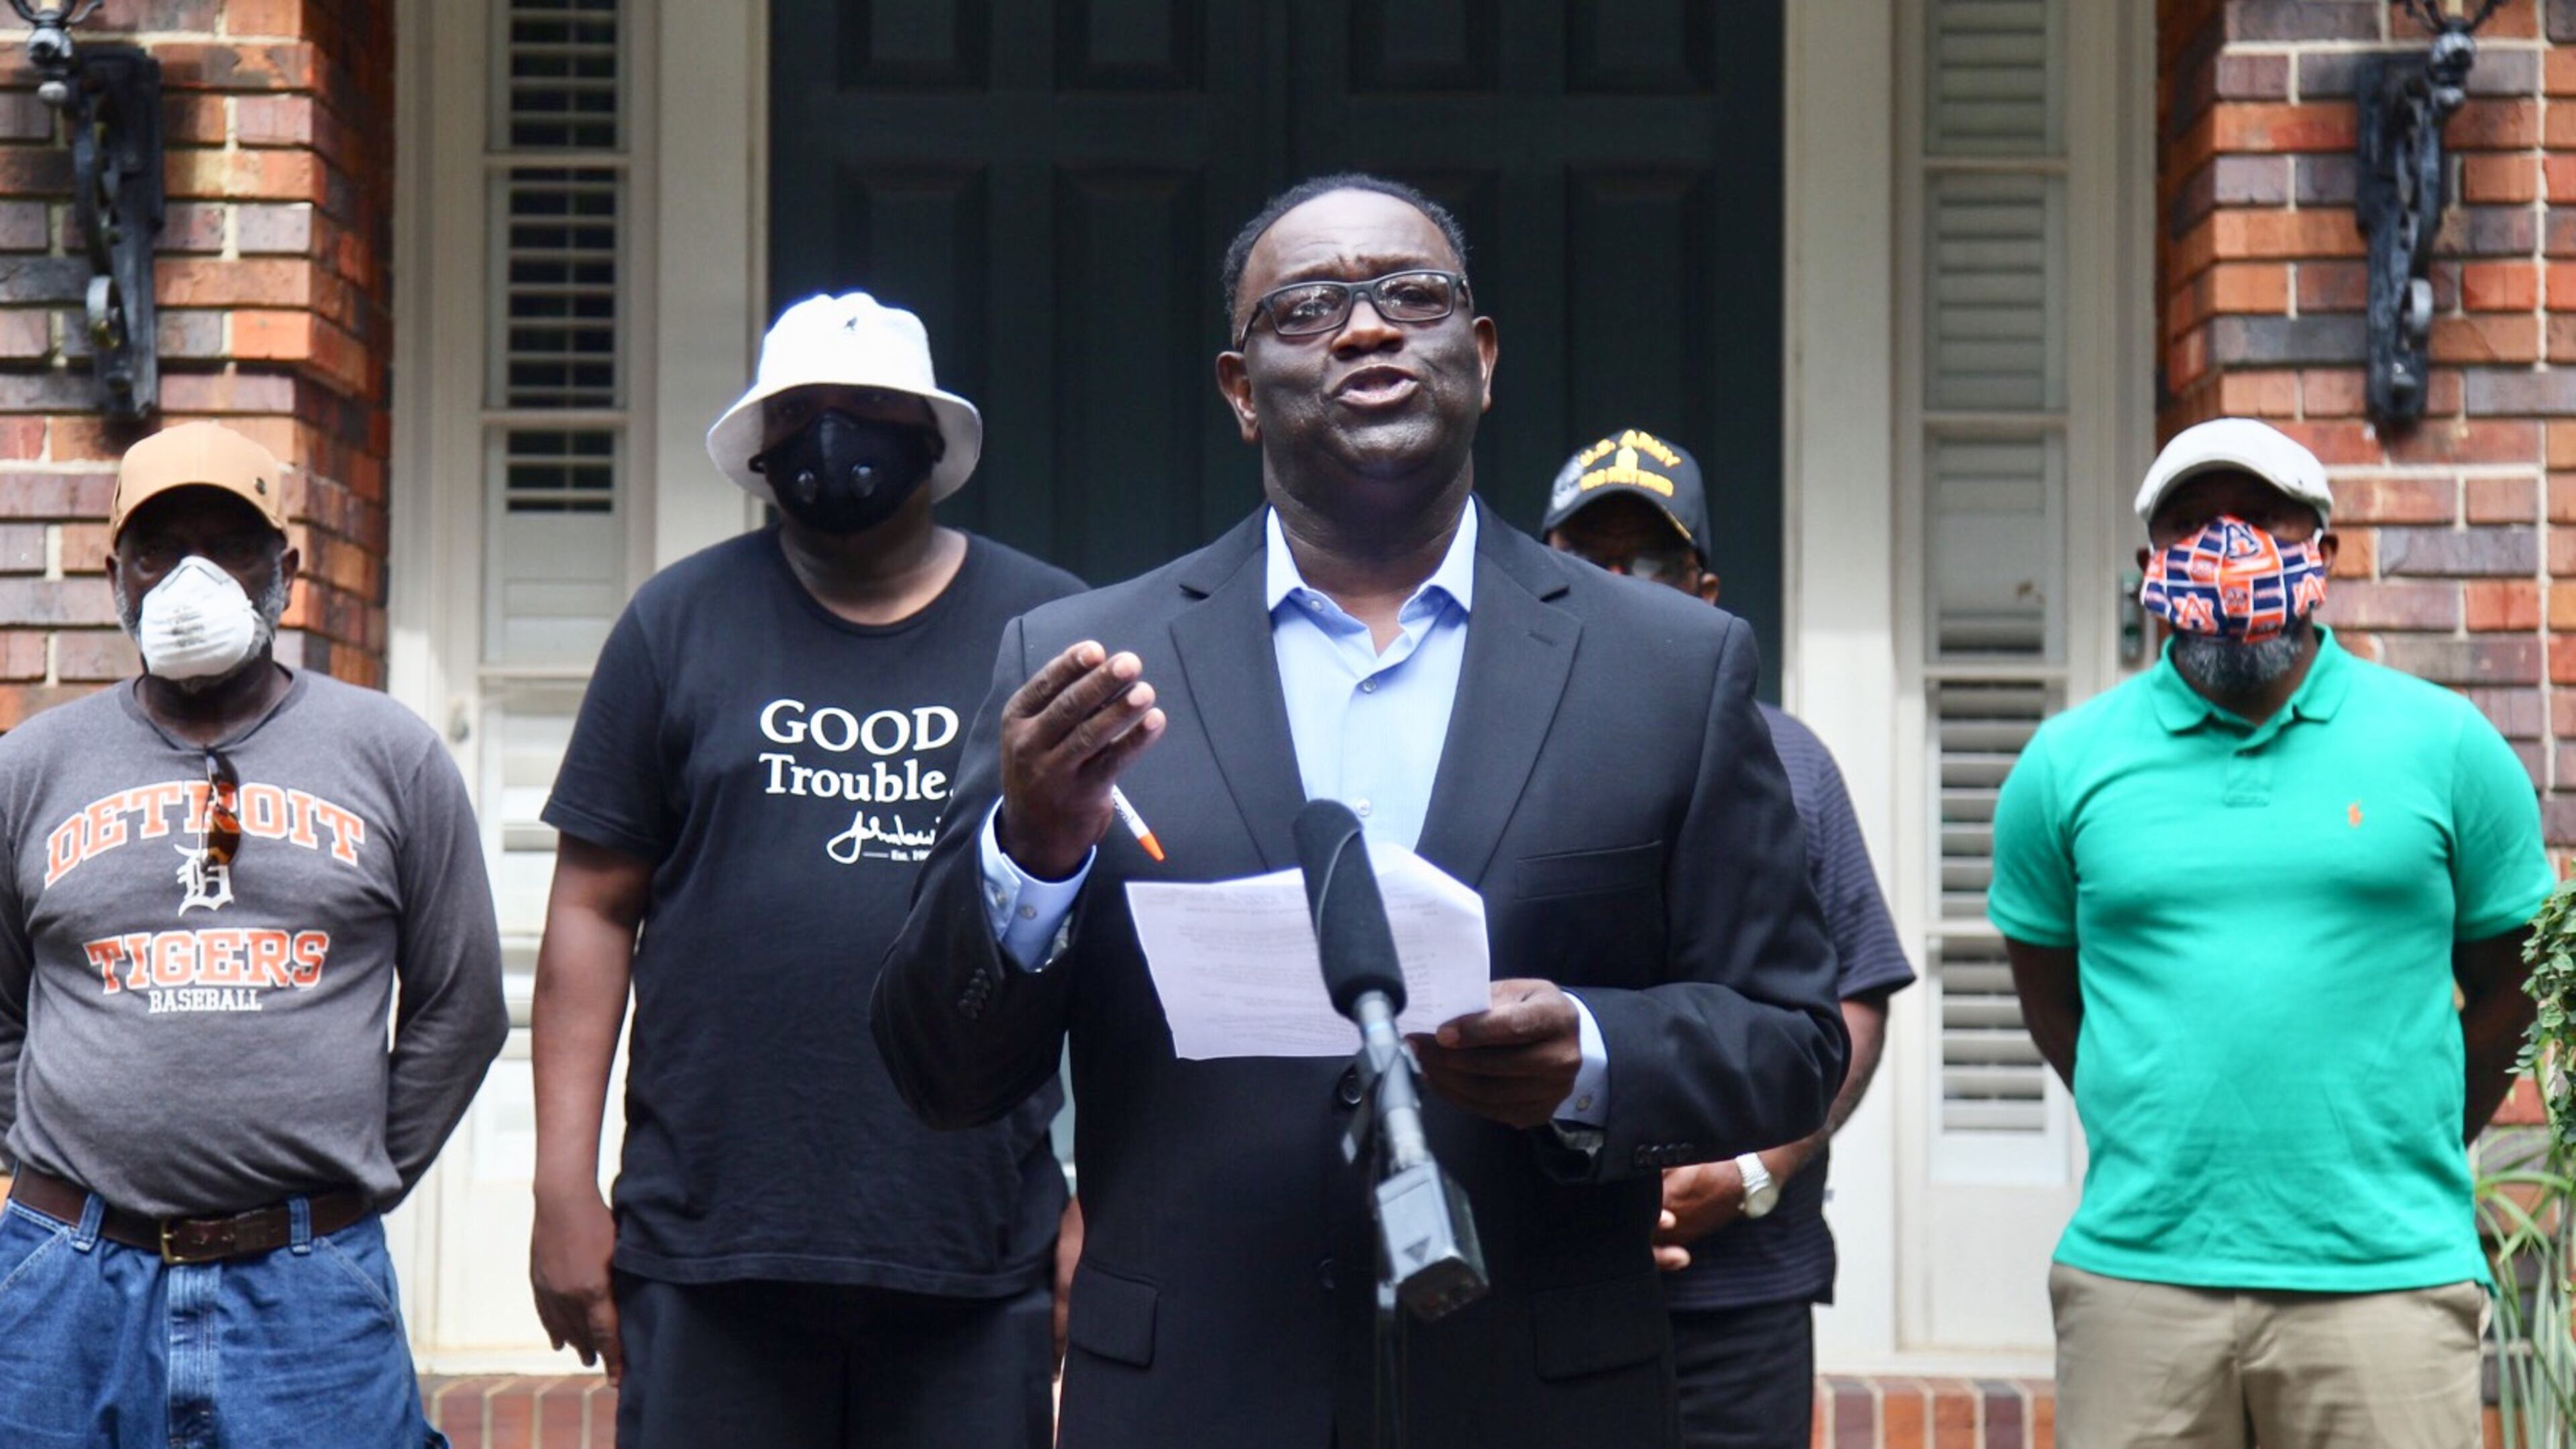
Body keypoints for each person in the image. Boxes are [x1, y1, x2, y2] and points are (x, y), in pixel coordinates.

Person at [871, 173, 1848, 1449]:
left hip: (1543, 1401)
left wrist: (1595, 1055)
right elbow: (939, 1076)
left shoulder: (1670, 668)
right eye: (1310, 308)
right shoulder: (1079, 663)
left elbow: (1793, 1040)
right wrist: (1031, 851)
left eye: (1414, 295)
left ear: (1481, 357)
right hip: (1192, 1399)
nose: (1368, 329)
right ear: (1238, 389)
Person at [527, 292, 1087, 1449]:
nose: (838, 437)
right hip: (713, 1246)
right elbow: (592, 909)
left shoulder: (1047, 629)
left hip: (974, 1249)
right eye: (806, 414)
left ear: (932, 435)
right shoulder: (676, 623)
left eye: (872, 408)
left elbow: (1118, 936)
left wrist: (1108, 1197)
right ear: (764, 446)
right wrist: (561, 1187)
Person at [1990, 417, 2550, 1449]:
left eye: (2258, 518)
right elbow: (2053, 995)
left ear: (2322, 553)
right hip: (2140, 1283)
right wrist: (2165, 1111)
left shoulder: (2447, 747)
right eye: (2194, 523)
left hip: (2386, 1283)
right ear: (2152, 565)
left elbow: (2516, 980)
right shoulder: (2065, 768)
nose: (2227, 544)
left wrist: (2408, 1127)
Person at [0, 421, 508, 1446]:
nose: (192, 577)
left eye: (227, 545)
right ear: (115, 576)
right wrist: (65, 1158)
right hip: (70, 1282)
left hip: (309, 1291)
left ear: (289, 565)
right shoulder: (33, 767)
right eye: (158, 548)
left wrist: (352, 1178)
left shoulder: (391, 755)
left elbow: (464, 1007)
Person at [1539, 428, 1915, 1449]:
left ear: (1704, 590)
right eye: (1584, 559)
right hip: (1540, 1283)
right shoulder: (1499, 766)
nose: (1617, 584)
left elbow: (1854, 1001)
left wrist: (1754, 1172)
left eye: (1650, 561)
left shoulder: (1790, 763)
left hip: (1742, 1294)